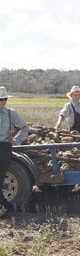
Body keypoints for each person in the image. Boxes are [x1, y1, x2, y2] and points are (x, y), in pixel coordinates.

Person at [0, 86, 29, 216]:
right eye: (0, 99)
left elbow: (24, 127)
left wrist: (16, 140)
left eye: (4, 99)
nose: (1, 102)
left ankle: (4, 204)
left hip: (4, 147)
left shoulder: (12, 113)